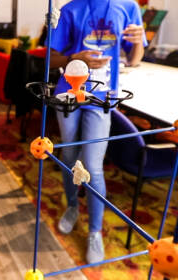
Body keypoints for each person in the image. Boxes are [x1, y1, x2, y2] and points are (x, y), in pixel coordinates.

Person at [49, 0, 147, 264]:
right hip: (68, 92)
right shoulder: (70, 9)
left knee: (93, 165)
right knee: (69, 158)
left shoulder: (128, 7)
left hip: (102, 96)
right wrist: (74, 58)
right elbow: (50, 60)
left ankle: (94, 231)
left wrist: (138, 41)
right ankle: (72, 206)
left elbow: (135, 59)